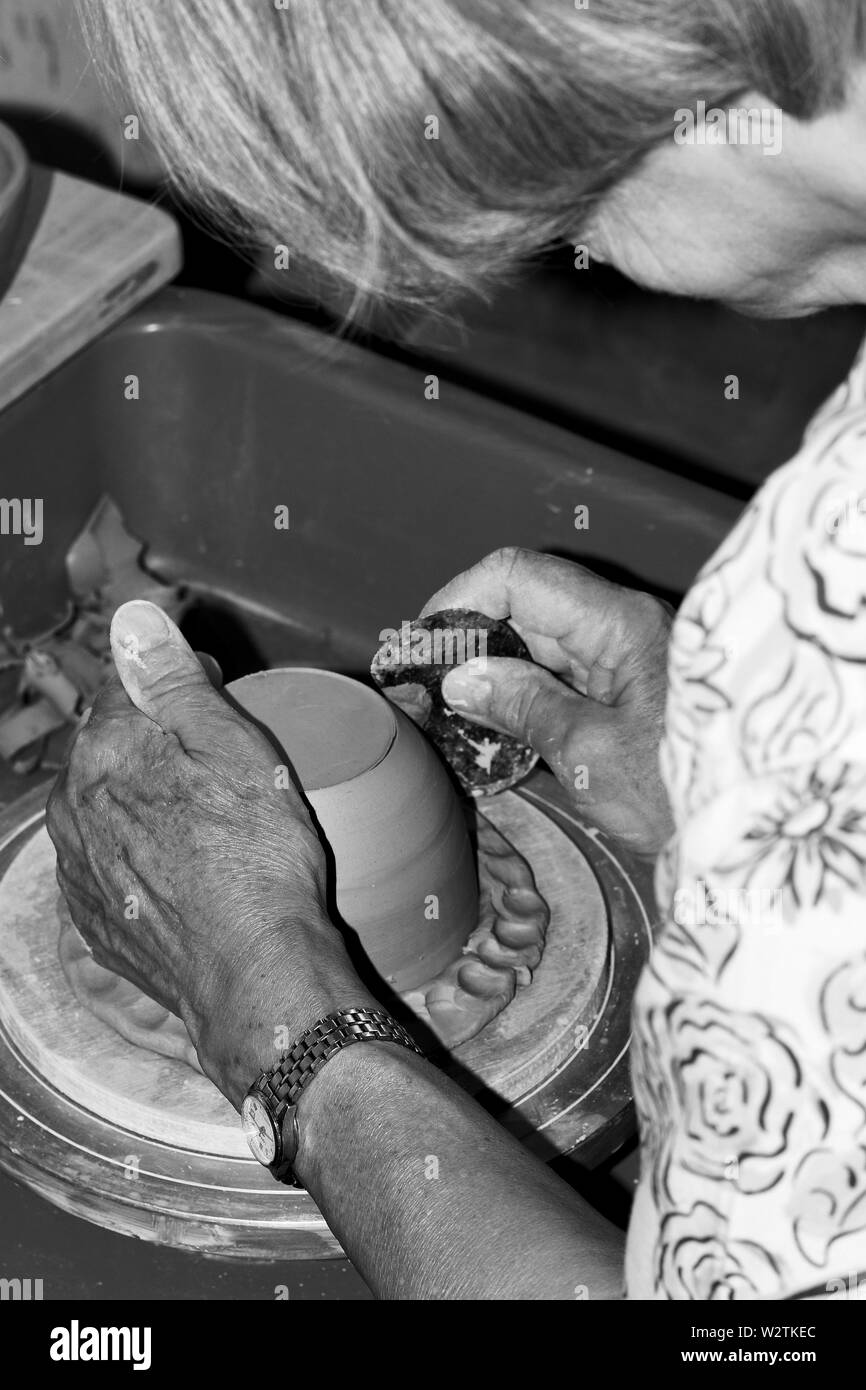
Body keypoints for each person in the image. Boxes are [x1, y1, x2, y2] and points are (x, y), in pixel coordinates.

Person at [49, 0, 866, 1298]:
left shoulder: (818, 580)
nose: (553, 258)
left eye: (523, 221)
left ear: (565, 74)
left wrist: (270, 1002)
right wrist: (741, 795)